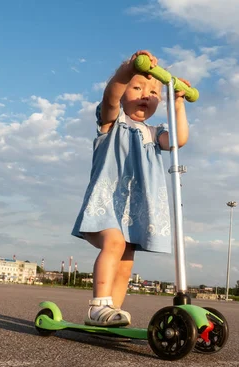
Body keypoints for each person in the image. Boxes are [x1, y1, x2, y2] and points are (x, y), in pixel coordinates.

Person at [71, 50, 190, 327]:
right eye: (137, 87)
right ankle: (98, 306)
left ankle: (113, 311)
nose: (145, 94)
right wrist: (127, 69)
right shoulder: (111, 122)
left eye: (153, 92)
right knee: (113, 243)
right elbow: (111, 95)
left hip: (133, 212)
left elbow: (178, 140)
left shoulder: (153, 132)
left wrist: (179, 104)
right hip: (105, 204)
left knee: (126, 261)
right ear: (125, 93)